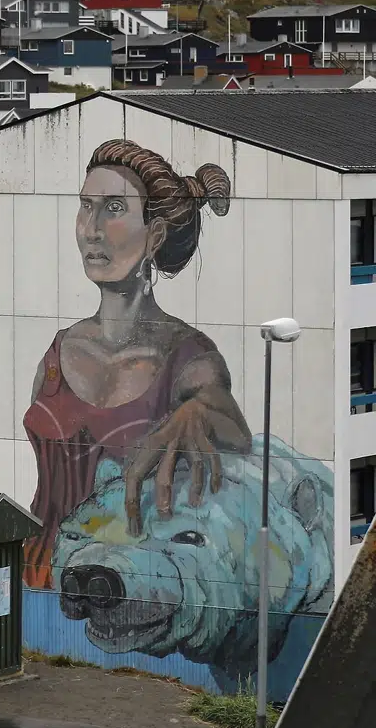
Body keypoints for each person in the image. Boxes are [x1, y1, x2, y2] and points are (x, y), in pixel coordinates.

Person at [23, 139, 252, 589]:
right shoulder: (58, 353)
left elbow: (232, 426)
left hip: (130, 589)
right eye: (85, 207)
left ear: (156, 235)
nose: (90, 229)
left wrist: (196, 413)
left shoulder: (185, 355)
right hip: (36, 582)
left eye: (112, 208)